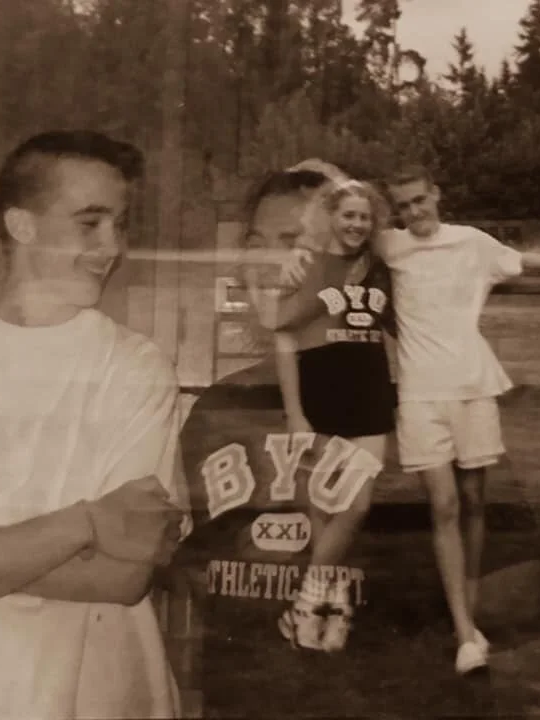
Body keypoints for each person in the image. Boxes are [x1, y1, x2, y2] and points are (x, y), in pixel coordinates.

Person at [0, 130, 187, 719]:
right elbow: (106, 543)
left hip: (97, 699)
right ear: (21, 225)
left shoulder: (135, 366)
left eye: (119, 224)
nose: (113, 247)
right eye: (90, 223)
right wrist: (88, 522)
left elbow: (123, 573)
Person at [377, 164, 540, 674]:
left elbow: (523, 260)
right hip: (420, 396)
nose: (414, 211)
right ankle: (465, 635)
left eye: (420, 200)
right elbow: (338, 244)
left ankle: (467, 607)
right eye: (403, 206)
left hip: (473, 387)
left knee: (472, 501)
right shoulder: (389, 246)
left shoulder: (472, 243)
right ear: (394, 210)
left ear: (436, 195)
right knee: (443, 505)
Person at [174, 163, 395, 708]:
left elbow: (511, 593)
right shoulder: (217, 408)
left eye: (295, 242)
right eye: (257, 244)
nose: (271, 262)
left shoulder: (398, 405)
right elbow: (187, 571)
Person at [264, 175, 396, 651]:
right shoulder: (306, 265)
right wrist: (295, 413)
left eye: (364, 216)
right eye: (348, 215)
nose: (356, 224)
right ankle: (332, 609)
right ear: (332, 217)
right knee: (326, 509)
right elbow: (282, 336)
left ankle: (304, 605)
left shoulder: (380, 268)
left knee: (354, 507)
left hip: (371, 399)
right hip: (322, 398)